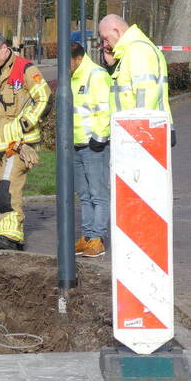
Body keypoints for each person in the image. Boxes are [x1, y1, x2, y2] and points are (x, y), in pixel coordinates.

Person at [0, 32, 51, 250]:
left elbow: (44, 98)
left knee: (8, 188)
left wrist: (24, 124)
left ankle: (11, 235)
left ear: (5, 48)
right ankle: (7, 232)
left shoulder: (26, 69)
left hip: (20, 144)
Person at [98, 13, 176, 146]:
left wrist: (136, 137)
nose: (105, 44)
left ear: (116, 32)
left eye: (105, 38)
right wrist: (112, 66)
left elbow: (144, 98)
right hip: (142, 132)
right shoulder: (132, 50)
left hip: (141, 135)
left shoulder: (137, 50)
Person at [69, 41, 111, 258]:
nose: (65, 67)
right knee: (84, 195)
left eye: (68, 62)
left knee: (98, 194)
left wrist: (100, 138)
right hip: (77, 143)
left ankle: (97, 238)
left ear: (77, 59)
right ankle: (87, 237)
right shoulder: (75, 77)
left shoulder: (96, 75)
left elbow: (105, 109)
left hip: (93, 145)